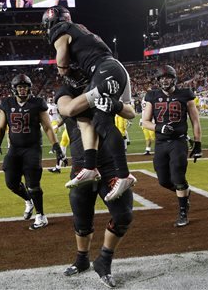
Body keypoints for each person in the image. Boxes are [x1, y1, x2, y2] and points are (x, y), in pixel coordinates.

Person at [42, 5, 136, 202]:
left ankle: (124, 175)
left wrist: (63, 69)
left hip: (105, 70)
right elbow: (131, 113)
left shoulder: (61, 32)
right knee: (89, 116)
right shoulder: (79, 30)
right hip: (112, 69)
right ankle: (91, 167)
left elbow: (62, 61)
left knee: (102, 121)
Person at [56, 81, 135, 288]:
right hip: (82, 164)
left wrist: (114, 104)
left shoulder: (107, 84)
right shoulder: (66, 91)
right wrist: (94, 96)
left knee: (123, 215)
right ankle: (82, 259)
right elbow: (68, 108)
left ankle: (104, 259)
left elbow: (130, 112)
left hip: (110, 164)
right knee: (82, 217)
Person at [0, 74, 66, 230]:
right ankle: (28, 200)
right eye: (20, 87)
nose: (23, 90)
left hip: (32, 148)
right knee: (11, 182)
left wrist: (56, 146)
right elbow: (0, 127)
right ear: (14, 89)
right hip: (15, 148)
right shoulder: (7, 103)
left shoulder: (37, 103)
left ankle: (41, 216)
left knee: (33, 184)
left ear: (29, 88)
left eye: (25, 87)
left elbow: (47, 127)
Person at [142, 65, 202, 227]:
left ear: (174, 78)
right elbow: (145, 121)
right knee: (163, 180)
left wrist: (198, 143)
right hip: (161, 143)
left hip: (178, 141)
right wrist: (159, 127)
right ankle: (184, 193)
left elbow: (195, 120)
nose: (165, 81)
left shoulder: (185, 94)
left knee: (178, 175)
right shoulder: (152, 95)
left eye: (167, 77)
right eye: (161, 78)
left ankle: (183, 211)